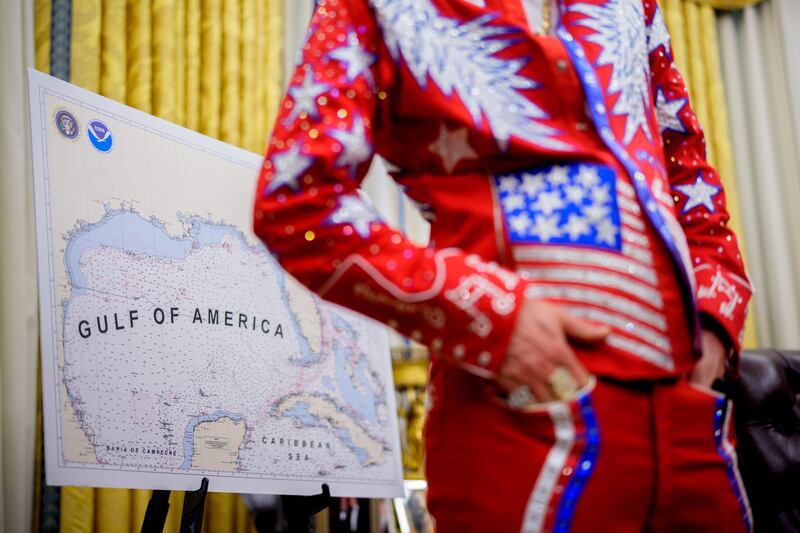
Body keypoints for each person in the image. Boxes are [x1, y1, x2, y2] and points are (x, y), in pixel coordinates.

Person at [253, 0, 753, 530]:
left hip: (694, 415)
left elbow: (691, 184)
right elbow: (299, 199)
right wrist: (494, 317)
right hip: (522, 412)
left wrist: (714, 325)